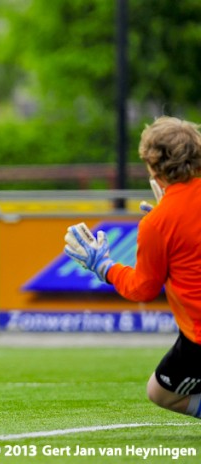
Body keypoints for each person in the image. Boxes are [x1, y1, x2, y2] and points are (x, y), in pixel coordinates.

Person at [64, 115, 201, 420]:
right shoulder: (163, 216)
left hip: (199, 336)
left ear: (153, 166)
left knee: (160, 392)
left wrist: (105, 267)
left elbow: (144, 288)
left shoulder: (157, 222)